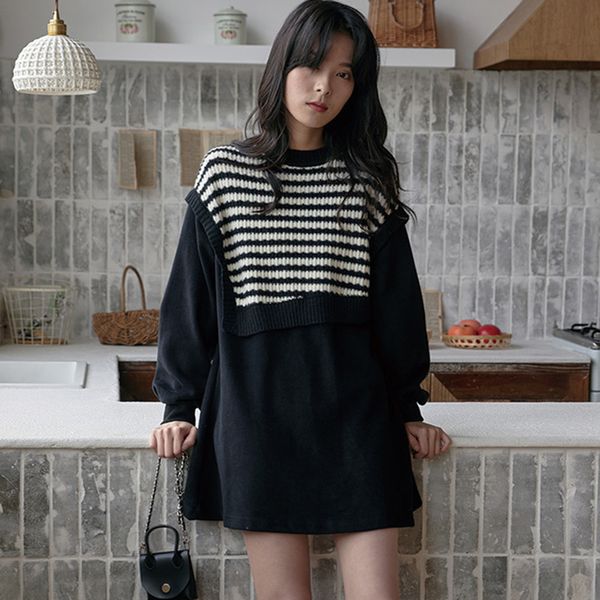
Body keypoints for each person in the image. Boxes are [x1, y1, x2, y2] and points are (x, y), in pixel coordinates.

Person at [149, 0, 452, 598]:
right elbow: (189, 299)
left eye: (344, 74)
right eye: (312, 66)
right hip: (257, 419)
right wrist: (178, 406)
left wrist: (408, 410)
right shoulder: (224, 174)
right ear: (282, 66)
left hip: (357, 420)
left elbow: (396, 309)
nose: (324, 88)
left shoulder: (365, 180)